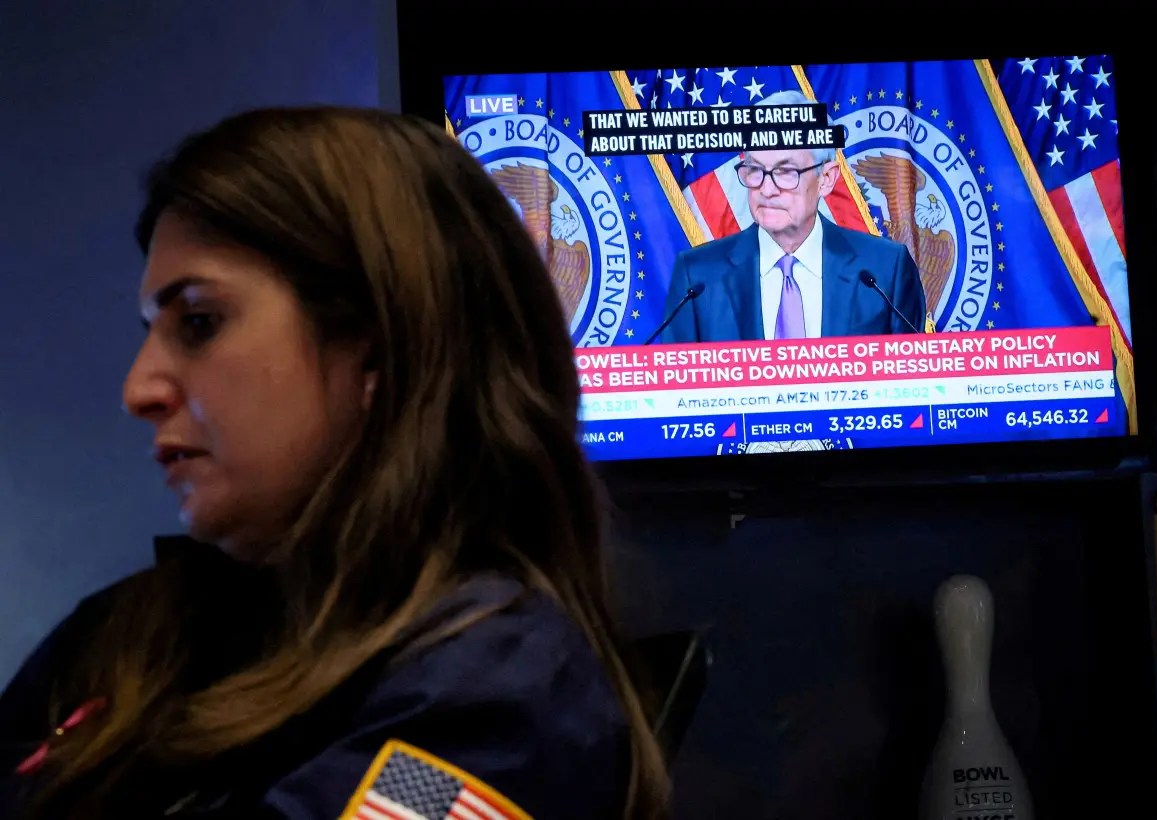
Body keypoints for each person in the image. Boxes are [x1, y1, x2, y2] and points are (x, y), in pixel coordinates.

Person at [0, 107, 670, 819]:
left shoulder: (492, 699)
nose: (139, 390)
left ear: (379, 350)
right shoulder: (126, 635)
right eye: (152, 333)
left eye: (198, 322)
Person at [661, 90, 926, 343]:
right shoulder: (697, 277)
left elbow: (914, 381)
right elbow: (675, 387)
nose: (766, 189)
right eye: (755, 169)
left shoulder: (884, 271)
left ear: (826, 179)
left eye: (786, 172)